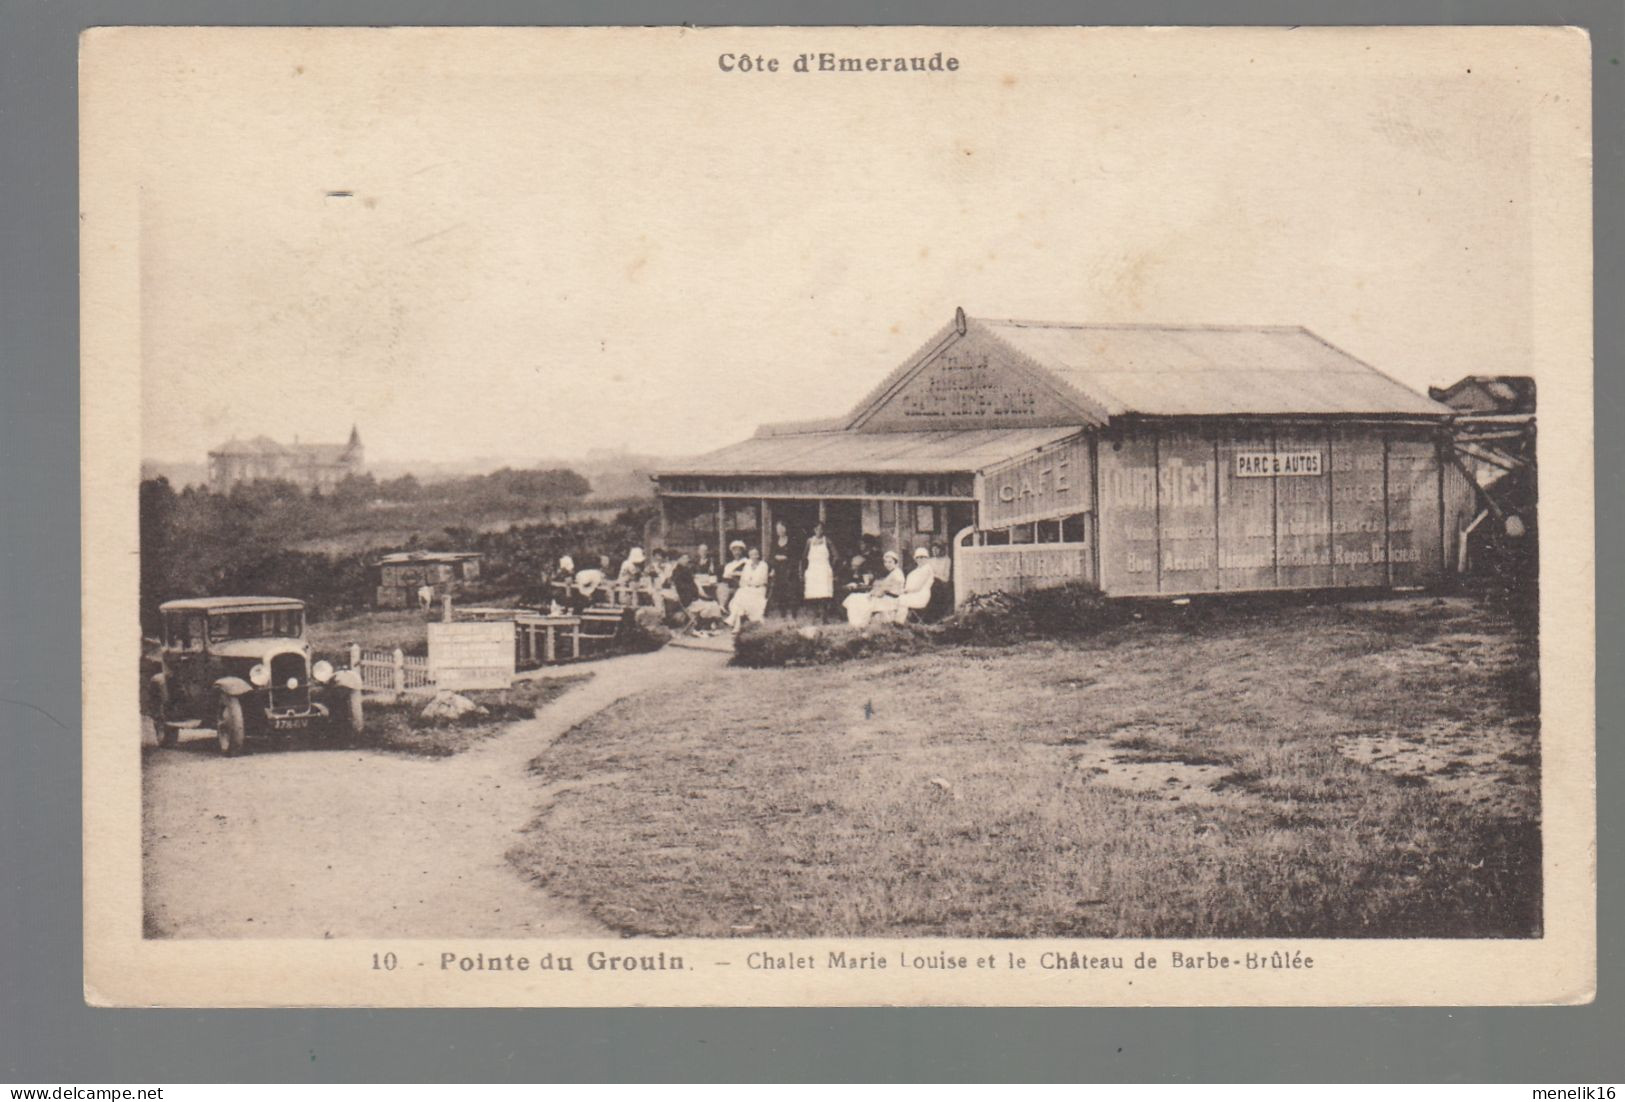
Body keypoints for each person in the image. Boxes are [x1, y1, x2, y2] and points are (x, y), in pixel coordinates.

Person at [843, 550, 905, 628]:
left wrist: (872, 593)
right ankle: (856, 624)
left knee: (856, 599)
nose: (887, 564)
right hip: (887, 598)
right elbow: (883, 588)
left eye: (890, 562)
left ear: (896, 563)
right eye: (886, 562)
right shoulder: (895, 572)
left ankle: (857, 624)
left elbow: (882, 592)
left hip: (889, 601)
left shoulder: (895, 575)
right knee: (855, 597)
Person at [670, 551, 724, 632]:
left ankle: (708, 623)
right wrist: (694, 591)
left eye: (687, 558)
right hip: (688, 600)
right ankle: (704, 623)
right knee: (709, 605)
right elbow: (682, 587)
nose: (686, 560)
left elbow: (692, 585)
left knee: (713, 603)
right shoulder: (677, 572)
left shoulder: (686, 570)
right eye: (683, 558)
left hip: (693, 597)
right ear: (678, 560)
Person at [727, 547, 770, 634]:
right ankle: (737, 625)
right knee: (739, 596)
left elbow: (761, 580)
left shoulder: (763, 565)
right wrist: (748, 583)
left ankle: (734, 622)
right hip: (748, 588)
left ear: (758, 555)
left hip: (759, 589)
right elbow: (743, 580)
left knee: (743, 599)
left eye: (755, 554)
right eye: (751, 555)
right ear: (749, 556)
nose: (753, 556)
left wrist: (750, 582)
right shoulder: (747, 565)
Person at [802, 522, 836, 622]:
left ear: (823, 530)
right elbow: (804, 557)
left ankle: (824, 618)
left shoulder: (827, 541)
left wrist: (831, 567)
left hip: (824, 569)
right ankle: (814, 617)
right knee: (813, 593)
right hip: (813, 569)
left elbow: (836, 555)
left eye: (821, 529)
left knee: (824, 594)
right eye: (817, 529)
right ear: (814, 530)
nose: (819, 531)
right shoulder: (809, 541)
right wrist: (804, 570)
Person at [767, 520, 799, 617]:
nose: (779, 531)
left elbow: (795, 557)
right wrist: (773, 566)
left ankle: (794, 614)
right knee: (781, 592)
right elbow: (771, 556)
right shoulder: (774, 542)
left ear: (785, 529)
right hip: (778, 570)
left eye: (781, 528)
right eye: (777, 529)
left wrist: (786, 558)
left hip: (789, 570)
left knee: (792, 592)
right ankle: (783, 614)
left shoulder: (792, 541)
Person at [900, 547, 936, 621]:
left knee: (900, 599)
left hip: (920, 596)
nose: (920, 559)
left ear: (927, 558)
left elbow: (918, 587)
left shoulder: (927, 569)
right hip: (911, 594)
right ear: (915, 559)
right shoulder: (915, 571)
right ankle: (900, 621)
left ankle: (899, 623)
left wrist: (904, 591)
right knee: (895, 600)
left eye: (922, 557)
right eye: (918, 557)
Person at [717, 540, 748, 612]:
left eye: (738, 550)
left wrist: (735, 574)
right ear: (732, 552)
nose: (736, 553)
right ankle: (721, 606)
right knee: (721, 586)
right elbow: (725, 577)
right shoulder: (729, 565)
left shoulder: (746, 562)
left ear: (742, 551)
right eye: (734, 551)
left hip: (742, 586)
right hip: (730, 585)